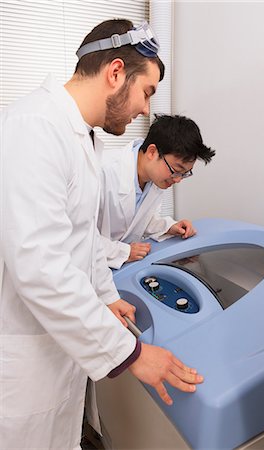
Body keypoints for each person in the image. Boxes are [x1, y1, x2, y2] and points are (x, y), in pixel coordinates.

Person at [0, 19, 203, 450]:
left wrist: (106, 296)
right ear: (115, 73)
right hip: (21, 360)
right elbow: (41, 267)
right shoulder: (34, 127)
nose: (147, 110)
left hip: (57, 355)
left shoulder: (85, 141)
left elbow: (83, 237)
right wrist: (131, 354)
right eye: (147, 91)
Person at [98, 114, 216, 269]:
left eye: (185, 173)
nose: (178, 180)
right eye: (176, 170)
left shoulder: (153, 179)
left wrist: (167, 227)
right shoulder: (102, 170)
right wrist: (121, 252)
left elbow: (135, 219)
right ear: (152, 152)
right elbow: (77, 235)